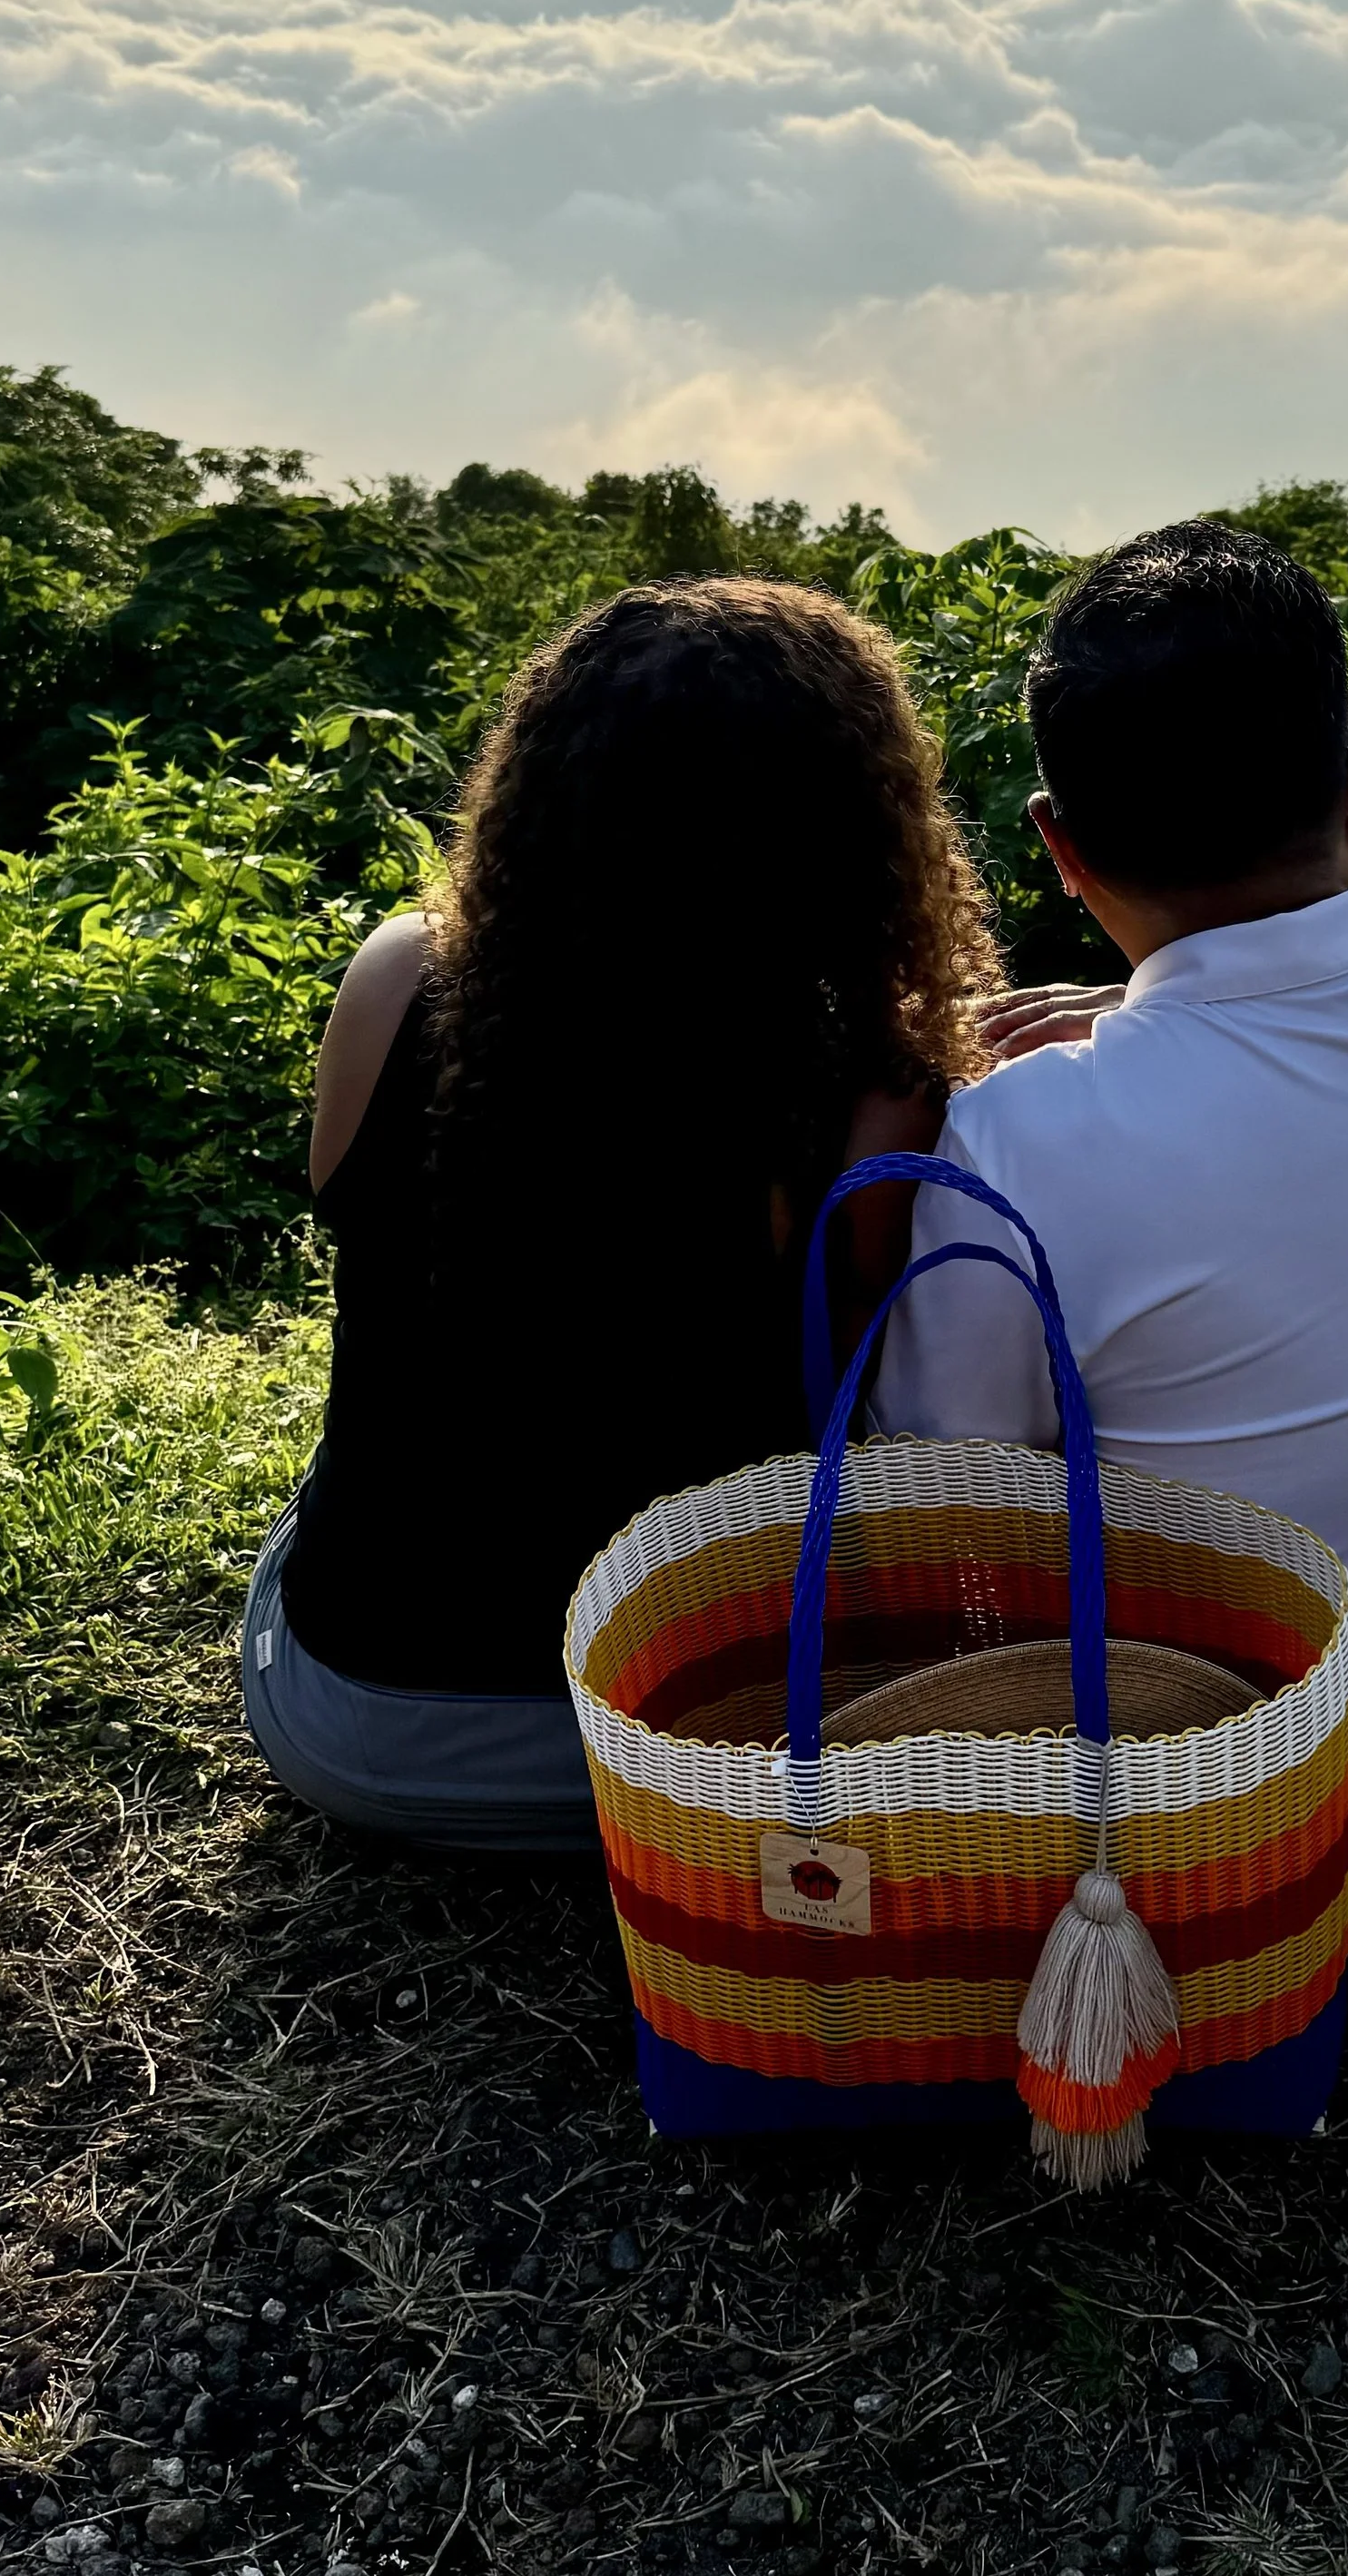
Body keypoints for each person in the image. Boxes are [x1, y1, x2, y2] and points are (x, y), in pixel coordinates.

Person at [871, 521, 1348, 1863]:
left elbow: (953, 1508)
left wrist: (1133, 1032)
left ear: (1062, 848)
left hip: (1242, 1826)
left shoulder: (1021, 1143)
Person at [241, 581, 999, 1849]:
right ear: (856, 828)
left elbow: (359, 1235)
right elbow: (864, 1396)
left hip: (356, 1721)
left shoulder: (395, 982)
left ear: (535, 790)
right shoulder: (872, 1097)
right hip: (688, 1749)